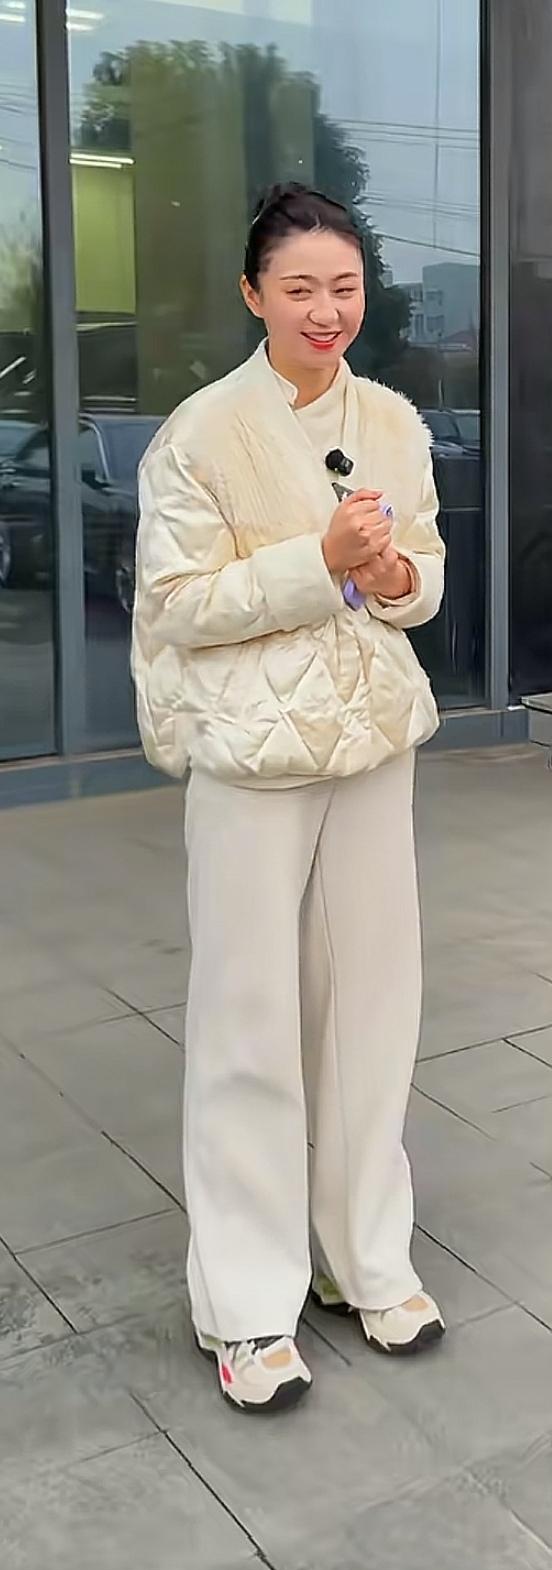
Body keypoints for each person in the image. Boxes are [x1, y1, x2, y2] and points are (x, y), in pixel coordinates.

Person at [132, 183, 446, 1415]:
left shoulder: (393, 420)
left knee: (373, 1003)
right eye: (301, 287)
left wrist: (394, 569)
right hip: (252, 758)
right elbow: (177, 605)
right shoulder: (201, 434)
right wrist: (317, 562)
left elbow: (422, 583)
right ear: (254, 294)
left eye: (346, 286)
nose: (328, 309)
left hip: (369, 743)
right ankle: (247, 1301)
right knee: (249, 1018)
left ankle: (366, 1256)